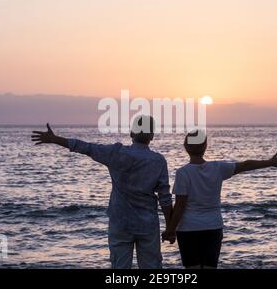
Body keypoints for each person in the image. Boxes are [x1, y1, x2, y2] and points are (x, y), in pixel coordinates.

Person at [31, 115, 173, 269]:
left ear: (132, 133)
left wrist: (55, 139)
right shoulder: (158, 161)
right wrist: (171, 228)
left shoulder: (115, 153)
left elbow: (86, 147)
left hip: (120, 222)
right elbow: (165, 199)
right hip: (147, 224)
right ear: (152, 135)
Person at [162, 130, 277, 269]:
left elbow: (180, 205)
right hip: (213, 227)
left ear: (185, 147)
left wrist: (170, 230)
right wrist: (270, 163)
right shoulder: (218, 168)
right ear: (205, 146)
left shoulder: (183, 172)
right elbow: (245, 165)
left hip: (189, 229)